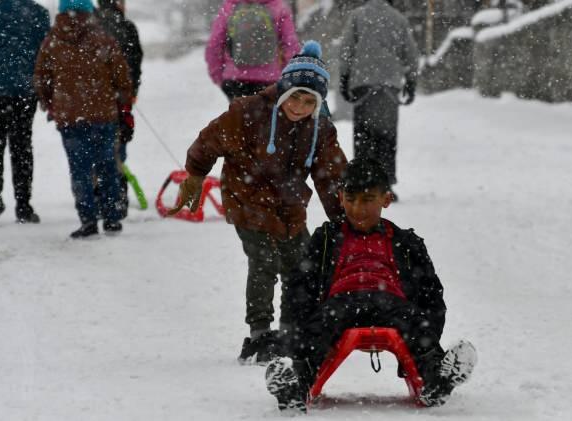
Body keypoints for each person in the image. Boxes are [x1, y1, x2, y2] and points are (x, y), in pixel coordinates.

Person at [168, 41, 347, 365]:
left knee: (303, 265)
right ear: (283, 91)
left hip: (288, 204)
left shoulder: (319, 128)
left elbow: (331, 177)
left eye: (309, 101)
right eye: (294, 97)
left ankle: (293, 330)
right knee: (264, 261)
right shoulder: (248, 112)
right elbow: (208, 141)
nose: (299, 106)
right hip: (246, 196)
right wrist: (195, 173)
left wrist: (345, 219)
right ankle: (260, 334)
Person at [264, 158, 477, 412]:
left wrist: (430, 332)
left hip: (390, 302)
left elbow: (431, 293)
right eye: (351, 199)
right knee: (318, 327)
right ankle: (296, 384)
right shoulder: (326, 239)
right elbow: (299, 287)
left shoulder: (406, 242)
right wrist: (293, 339)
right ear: (341, 198)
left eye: (367, 200)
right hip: (341, 303)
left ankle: (435, 378)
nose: (358, 208)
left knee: (414, 323)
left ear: (385, 200)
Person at [34, 0, 133, 238]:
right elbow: (122, 77)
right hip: (103, 115)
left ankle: (88, 220)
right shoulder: (103, 39)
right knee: (107, 166)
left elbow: (41, 78)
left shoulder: (52, 41)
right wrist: (122, 100)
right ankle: (111, 218)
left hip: (69, 117)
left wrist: (52, 104)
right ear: (89, 11)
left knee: (79, 169)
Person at [339, 0, 419, 201]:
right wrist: (411, 81)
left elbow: (346, 49)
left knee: (363, 135)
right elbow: (410, 53)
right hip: (389, 87)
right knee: (387, 137)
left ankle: (362, 182)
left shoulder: (357, 16)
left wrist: (344, 77)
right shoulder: (398, 19)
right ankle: (385, 184)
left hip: (363, 85)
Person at [0, 0, 50, 227]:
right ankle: (24, 205)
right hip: (25, 91)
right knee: (22, 147)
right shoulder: (38, 13)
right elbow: (46, 53)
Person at [94, 0, 143, 217]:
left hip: (93, 99)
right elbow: (135, 62)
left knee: (94, 147)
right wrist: (131, 91)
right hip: (120, 99)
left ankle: (97, 196)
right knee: (118, 147)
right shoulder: (127, 27)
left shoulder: (91, 25)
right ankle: (117, 199)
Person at [206, 0, 300, 101]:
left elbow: (214, 43)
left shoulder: (230, 6)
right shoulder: (278, 6)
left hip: (235, 80)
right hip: (270, 80)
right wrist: (290, 76)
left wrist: (218, 77)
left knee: (239, 115)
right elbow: (291, 44)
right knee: (267, 116)